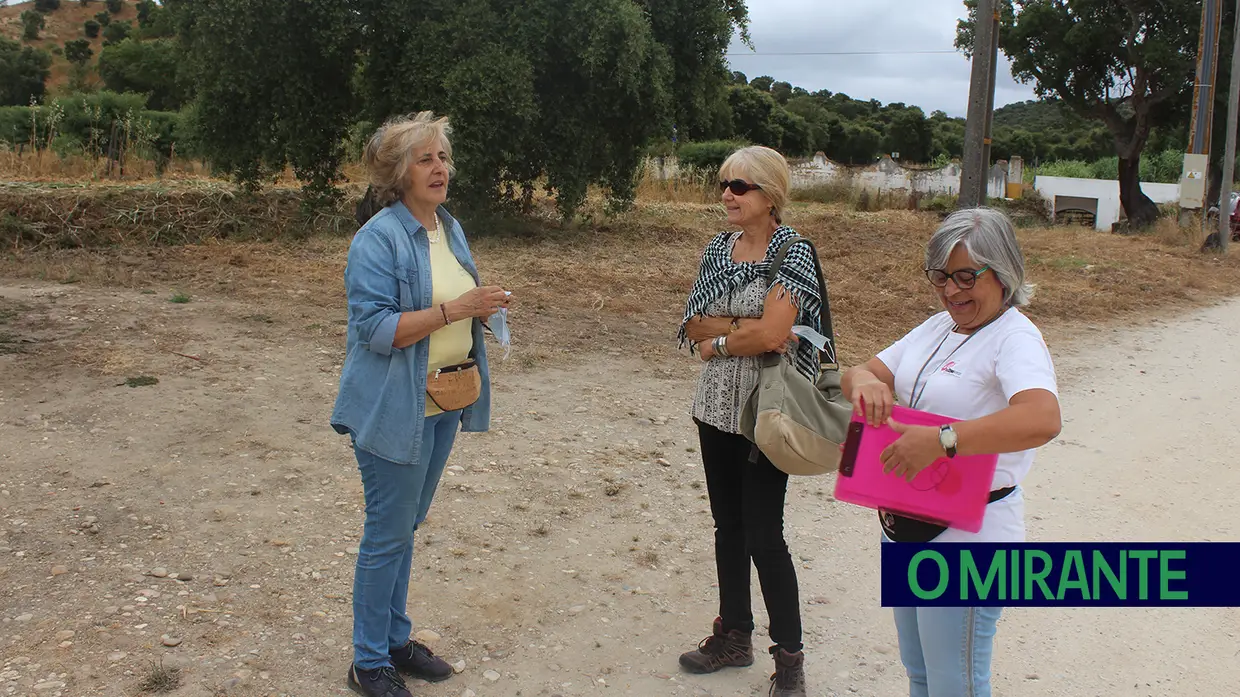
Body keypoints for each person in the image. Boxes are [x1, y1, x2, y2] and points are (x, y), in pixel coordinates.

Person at [840, 207, 1062, 697]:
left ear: (1002, 273)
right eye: (940, 276)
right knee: (922, 675)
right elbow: (862, 371)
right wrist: (863, 384)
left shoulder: (1015, 338)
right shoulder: (939, 326)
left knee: (954, 684)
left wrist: (944, 440)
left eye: (966, 276)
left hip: (969, 538)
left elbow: (1043, 418)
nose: (951, 290)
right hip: (907, 524)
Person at [330, 111, 512, 697]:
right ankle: (367, 660)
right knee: (388, 531)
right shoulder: (377, 238)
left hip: (443, 399)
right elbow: (375, 329)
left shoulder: (447, 228)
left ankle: (394, 641)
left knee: (407, 526)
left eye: (443, 157)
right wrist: (455, 311)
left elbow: (456, 297)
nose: (440, 168)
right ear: (398, 172)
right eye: (425, 158)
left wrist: (484, 307)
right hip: (393, 406)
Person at [675, 145, 826, 697]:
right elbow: (692, 323)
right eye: (724, 184)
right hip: (714, 407)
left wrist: (722, 337)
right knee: (728, 529)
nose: (727, 195)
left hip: (767, 411)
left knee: (765, 535)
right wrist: (738, 327)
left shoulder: (794, 254)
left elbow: (774, 335)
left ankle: (789, 660)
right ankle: (734, 634)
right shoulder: (719, 247)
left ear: (771, 194)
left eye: (740, 186)